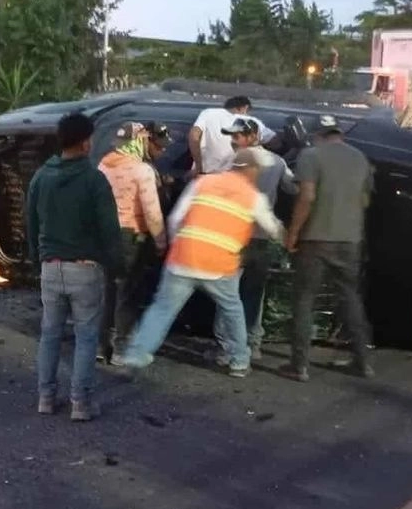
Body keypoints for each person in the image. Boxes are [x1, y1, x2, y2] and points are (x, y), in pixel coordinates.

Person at [115, 148, 284, 378]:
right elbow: (273, 229)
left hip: (183, 259)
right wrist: (289, 238)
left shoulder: (204, 183)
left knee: (162, 309)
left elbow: (175, 219)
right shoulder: (253, 197)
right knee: (233, 310)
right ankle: (239, 362)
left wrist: (176, 246)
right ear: (252, 170)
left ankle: (136, 355)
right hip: (219, 266)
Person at [26, 112, 124, 422]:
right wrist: (116, 264)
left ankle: (46, 397)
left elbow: (31, 224)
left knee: (50, 334)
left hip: (50, 267)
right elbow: (109, 229)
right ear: (85, 142)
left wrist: (35, 259)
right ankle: (80, 403)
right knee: (85, 337)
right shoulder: (94, 180)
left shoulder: (41, 176)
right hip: (85, 269)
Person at [282, 115, 374, 382]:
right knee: (350, 298)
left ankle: (299, 366)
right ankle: (363, 362)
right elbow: (365, 199)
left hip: (316, 239)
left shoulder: (311, 155)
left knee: (304, 299)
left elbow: (307, 196)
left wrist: (294, 232)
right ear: (339, 133)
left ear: (317, 135)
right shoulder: (360, 158)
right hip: (350, 239)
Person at [223, 117, 297, 360]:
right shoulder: (277, 162)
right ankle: (253, 344)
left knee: (227, 294)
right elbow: (293, 189)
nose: (233, 141)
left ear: (252, 136)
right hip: (262, 237)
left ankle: (229, 349)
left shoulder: (231, 163)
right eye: (232, 136)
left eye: (237, 136)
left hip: (234, 237)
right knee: (254, 294)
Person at [97, 121, 168, 362]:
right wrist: (161, 242)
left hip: (104, 235)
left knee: (107, 290)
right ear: (139, 141)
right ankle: (122, 350)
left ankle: (101, 346)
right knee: (126, 293)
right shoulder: (142, 171)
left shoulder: (103, 165)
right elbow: (152, 212)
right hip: (129, 237)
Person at [187, 96, 278, 177]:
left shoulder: (208, 113)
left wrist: (198, 167)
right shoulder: (250, 122)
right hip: (235, 178)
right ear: (245, 108)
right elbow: (275, 142)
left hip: (203, 176)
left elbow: (194, 136)